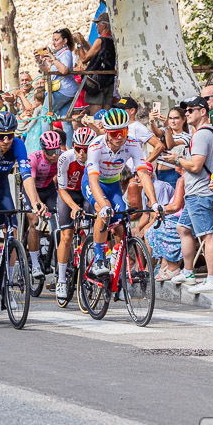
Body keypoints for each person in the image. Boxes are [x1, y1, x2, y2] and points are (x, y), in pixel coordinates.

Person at [83, 109, 162, 276]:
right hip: (95, 183)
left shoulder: (132, 144)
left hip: (113, 184)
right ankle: (98, 259)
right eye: (115, 133)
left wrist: (154, 202)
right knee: (103, 211)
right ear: (106, 131)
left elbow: (142, 173)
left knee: (120, 222)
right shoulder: (96, 146)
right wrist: (104, 204)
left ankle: (114, 262)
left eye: (123, 131)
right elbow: (93, 180)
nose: (120, 137)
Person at [0, 111, 47, 272]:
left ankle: (8, 285)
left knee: (12, 231)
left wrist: (35, 202)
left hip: (2, 186)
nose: (6, 140)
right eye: (1, 136)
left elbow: (27, 177)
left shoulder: (18, 145)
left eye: (10, 135)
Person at [165, 97, 213, 291]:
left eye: (190, 110)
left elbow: (196, 165)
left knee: (208, 235)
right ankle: (188, 271)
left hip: (200, 192)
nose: (187, 114)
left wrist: (177, 160)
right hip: (195, 191)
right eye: (186, 111)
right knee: (183, 228)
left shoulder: (201, 135)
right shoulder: (202, 133)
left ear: (203, 112)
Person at [54, 127, 95, 297]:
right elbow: (61, 189)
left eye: (86, 150)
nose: (81, 153)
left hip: (86, 193)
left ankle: (91, 263)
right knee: (67, 236)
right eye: (78, 149)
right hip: (68, 193)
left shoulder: (96, 158)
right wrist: (73, 206)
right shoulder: (65, 158)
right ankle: (61, 280)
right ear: (73, 147)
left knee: (93, 228)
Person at [24, 131, 61, 281]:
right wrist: (38, 203)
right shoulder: (34, 158)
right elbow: (30, 185)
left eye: (56, 151)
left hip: (48, 188)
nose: (54, 155)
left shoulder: (62, 157)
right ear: (43, 150)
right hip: (32, 189)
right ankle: (35, 263)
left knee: (60, 221)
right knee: (35, 222)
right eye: (51, 152)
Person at [81, 13, 116, 113]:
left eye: (98, 24)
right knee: (106, 116)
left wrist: (79, 44)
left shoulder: (101, 40)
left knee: (96, 117)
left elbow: (84, 59)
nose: (96, 26)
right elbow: (95, 52)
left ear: (104, 25)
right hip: (109, 81)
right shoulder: (113, 40)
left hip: (97, 82)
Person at [39, 29, 77, 117]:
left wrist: (52, 57)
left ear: (65, 41)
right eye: (53, 40)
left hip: (62, 90)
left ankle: (47, 131)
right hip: (68, 90)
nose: (53, 43)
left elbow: (64, 70)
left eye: (56, 40)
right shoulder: (60, 53)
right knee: (65, 119)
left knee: (45, 115)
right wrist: (40, 61)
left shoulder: (66, 52)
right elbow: (46, 71)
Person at [115, 96, 165, 162]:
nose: (118, 111)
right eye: (117, 109)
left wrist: (143, 166)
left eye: (122, 109)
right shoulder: (116, 127)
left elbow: (160, 146)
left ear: (132, 110)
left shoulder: (138, 127)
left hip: (134, 170)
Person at [149, 105, 190, 185]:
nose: (172, 121)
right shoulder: (165, 130)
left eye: (176, 118)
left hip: (173, 173)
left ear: (184, 119)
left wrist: (167, 126)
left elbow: (171, 145)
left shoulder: (186, 136)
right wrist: (151, 121)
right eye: (170, 118)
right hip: (158, 172)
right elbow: (157, 133)